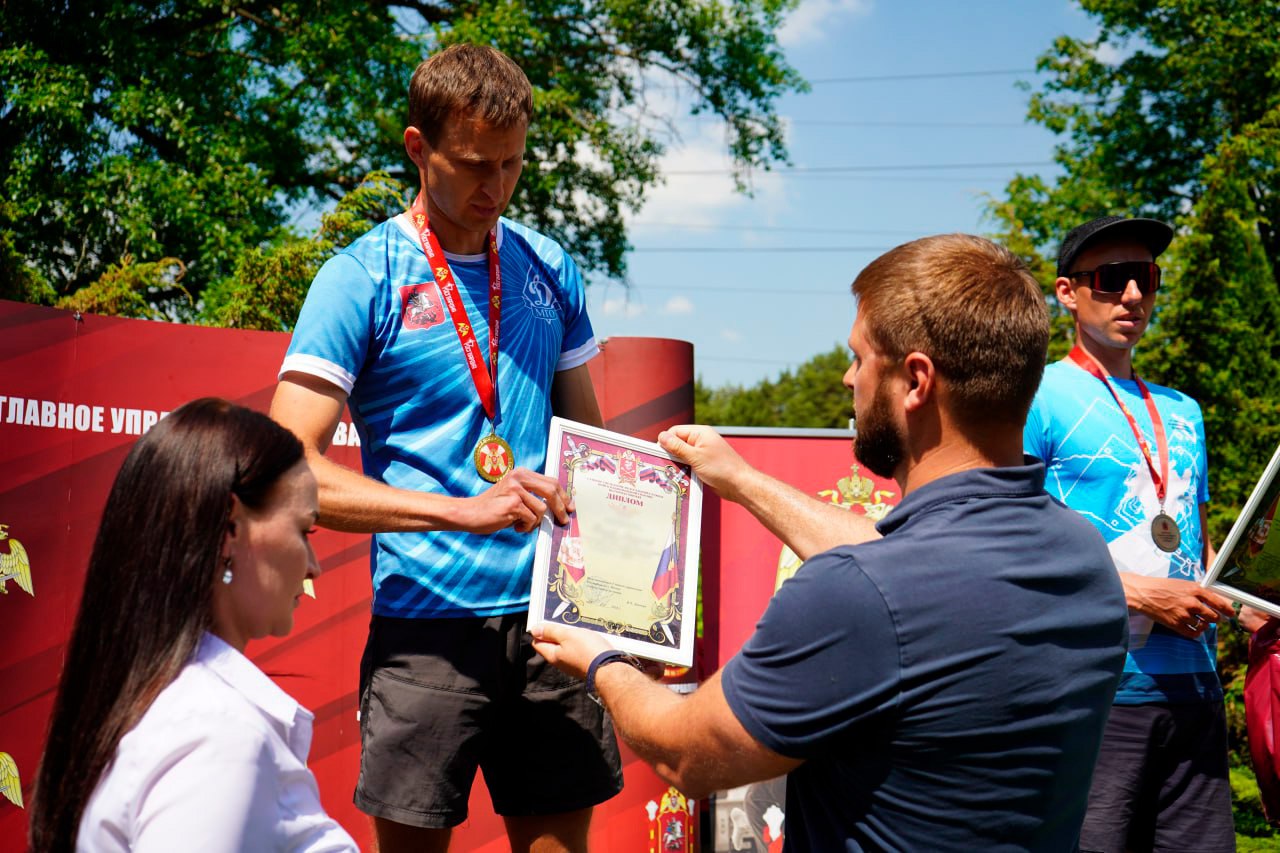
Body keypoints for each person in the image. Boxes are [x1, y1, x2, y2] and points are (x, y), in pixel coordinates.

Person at [533, 233, 1131, 850]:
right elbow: (902, 563)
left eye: (859, 357)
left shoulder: (860, 594)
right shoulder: (1083, 556)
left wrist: (602, 660)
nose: (849, 379)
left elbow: (690, 756)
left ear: (916, 380)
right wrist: (741, 480)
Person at [268, 43, 619, 853]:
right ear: (418, 148)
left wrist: (639, 617)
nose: (494, 188)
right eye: (472, 165)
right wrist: (462, 513)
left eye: (513, 164)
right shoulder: (360, 277)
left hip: (551, 626)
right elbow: (291, 470)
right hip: (425, 630)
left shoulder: (550, 268)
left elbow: (589, 454)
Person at [29, 398, 356, 852]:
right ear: (231, 525)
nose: (314, 566)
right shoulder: (215, 734)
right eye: (305, 531)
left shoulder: (174, 710)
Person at [1023, 215, 1237, 852]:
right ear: (1068, 292)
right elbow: (1014, 540)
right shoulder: (1034, 395)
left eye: (1145, 278)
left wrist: (1243, 601)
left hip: (1195, 690)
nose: (1134, 297)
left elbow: (1189, 543)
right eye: (1113, 280)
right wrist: (1139, 595)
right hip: (1093, 695)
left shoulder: (1183, 409)